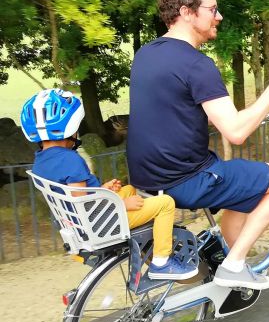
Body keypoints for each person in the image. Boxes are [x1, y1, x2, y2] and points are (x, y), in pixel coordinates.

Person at [127, 0, 269, 291]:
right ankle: (233, 266)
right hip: (187, 179)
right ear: (186, 11)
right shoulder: (197, 66)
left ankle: (235, 261)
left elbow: (170, 111)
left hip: (147, 180)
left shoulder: (146, 54)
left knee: (243, 183)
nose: (218, 16)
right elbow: (235, 132)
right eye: (212, 9)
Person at [22, 89, 195, 280]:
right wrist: (122, 205)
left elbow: (75, 195)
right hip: (101, 223)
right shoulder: (70, 160)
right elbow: (83, 204)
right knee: (166, 203)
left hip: (80, 222)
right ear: (70, 129)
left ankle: (149, 237)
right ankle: (162, 262)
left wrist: (102, 190)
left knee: (129, 189)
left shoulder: (40, 161)